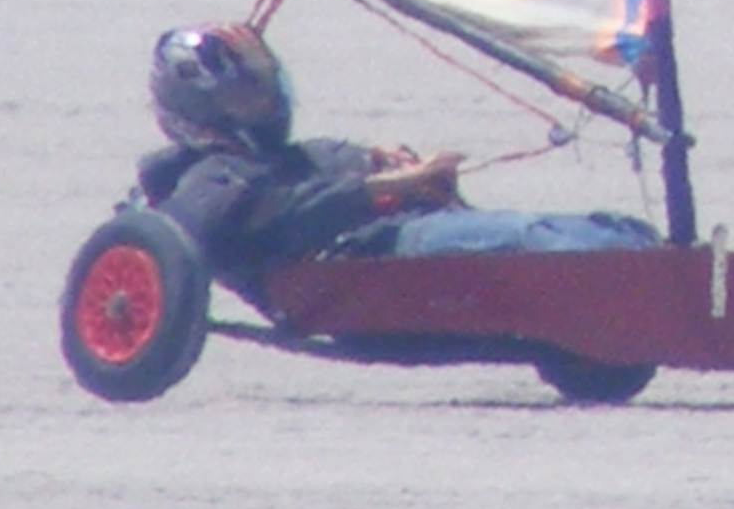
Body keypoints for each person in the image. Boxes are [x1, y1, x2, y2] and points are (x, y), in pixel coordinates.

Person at [135, 22, 657, 301]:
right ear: (201, 110)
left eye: (266, 89)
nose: (265, 105)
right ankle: (654, 285)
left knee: (615, 229)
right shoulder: (209, 178)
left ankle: (660, 272)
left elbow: (346, 164)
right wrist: (383, 189)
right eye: (245, 96)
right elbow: (269, 226)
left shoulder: (297, 155)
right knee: (544, 241)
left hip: (405, 240)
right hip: (361, 261)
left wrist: (402, 168)